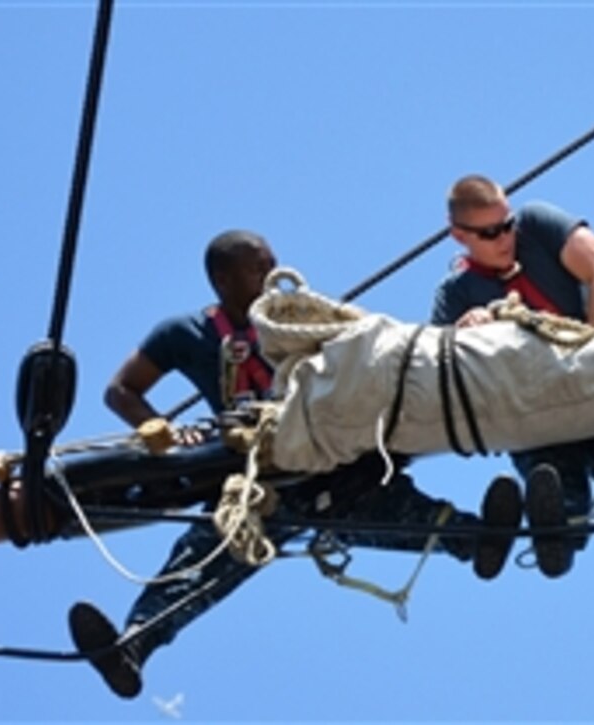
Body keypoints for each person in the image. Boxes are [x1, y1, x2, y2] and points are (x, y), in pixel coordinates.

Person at [70, 229, 479, 699]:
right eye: (256, 267)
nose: (269, 276)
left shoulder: (302, 322)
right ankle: (133, 647)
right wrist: (161, 429)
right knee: (201, 559)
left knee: (412, 516)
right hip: (258, 481)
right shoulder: (185, 334)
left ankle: (497, 536)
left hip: (331, 462)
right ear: (222, 279)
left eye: (271, 264)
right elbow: (121, 389)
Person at [431, 174, 594, 581]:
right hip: (538, 410)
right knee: (552, 476)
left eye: (507, 225)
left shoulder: (538, 225)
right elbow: (443, 379)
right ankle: (559, 520)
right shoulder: (456, 295)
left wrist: (593, 355)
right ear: (460, 236)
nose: (505, 238)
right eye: (490, 233)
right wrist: (463, 336)